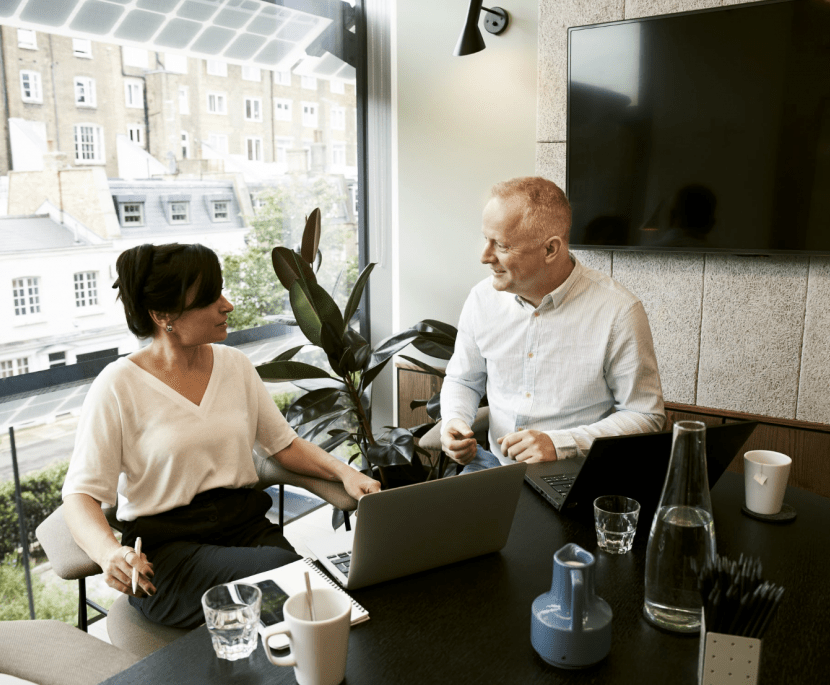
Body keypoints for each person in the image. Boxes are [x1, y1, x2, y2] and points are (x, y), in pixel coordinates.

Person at [61, 243, 379, 628]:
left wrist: (346, 473)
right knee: (294, 586)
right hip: (171, 556)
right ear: (164, 315)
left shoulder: (235, 365)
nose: (226, 305)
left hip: (247, 530)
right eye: (210, 298)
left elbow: (283, 445)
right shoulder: (117, 385)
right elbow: (80, 495)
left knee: (316, 604)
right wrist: (108, 552)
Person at [439, 177, 665, 472]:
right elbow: (463, 379)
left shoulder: (619, 311)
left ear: (550, 249)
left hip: (576, 473)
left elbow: (645, 415)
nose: (484, 257)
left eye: (502, 245)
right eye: (486, 239)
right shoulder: (481, 299)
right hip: (492, 467)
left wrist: (560, 444)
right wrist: (455, 419)